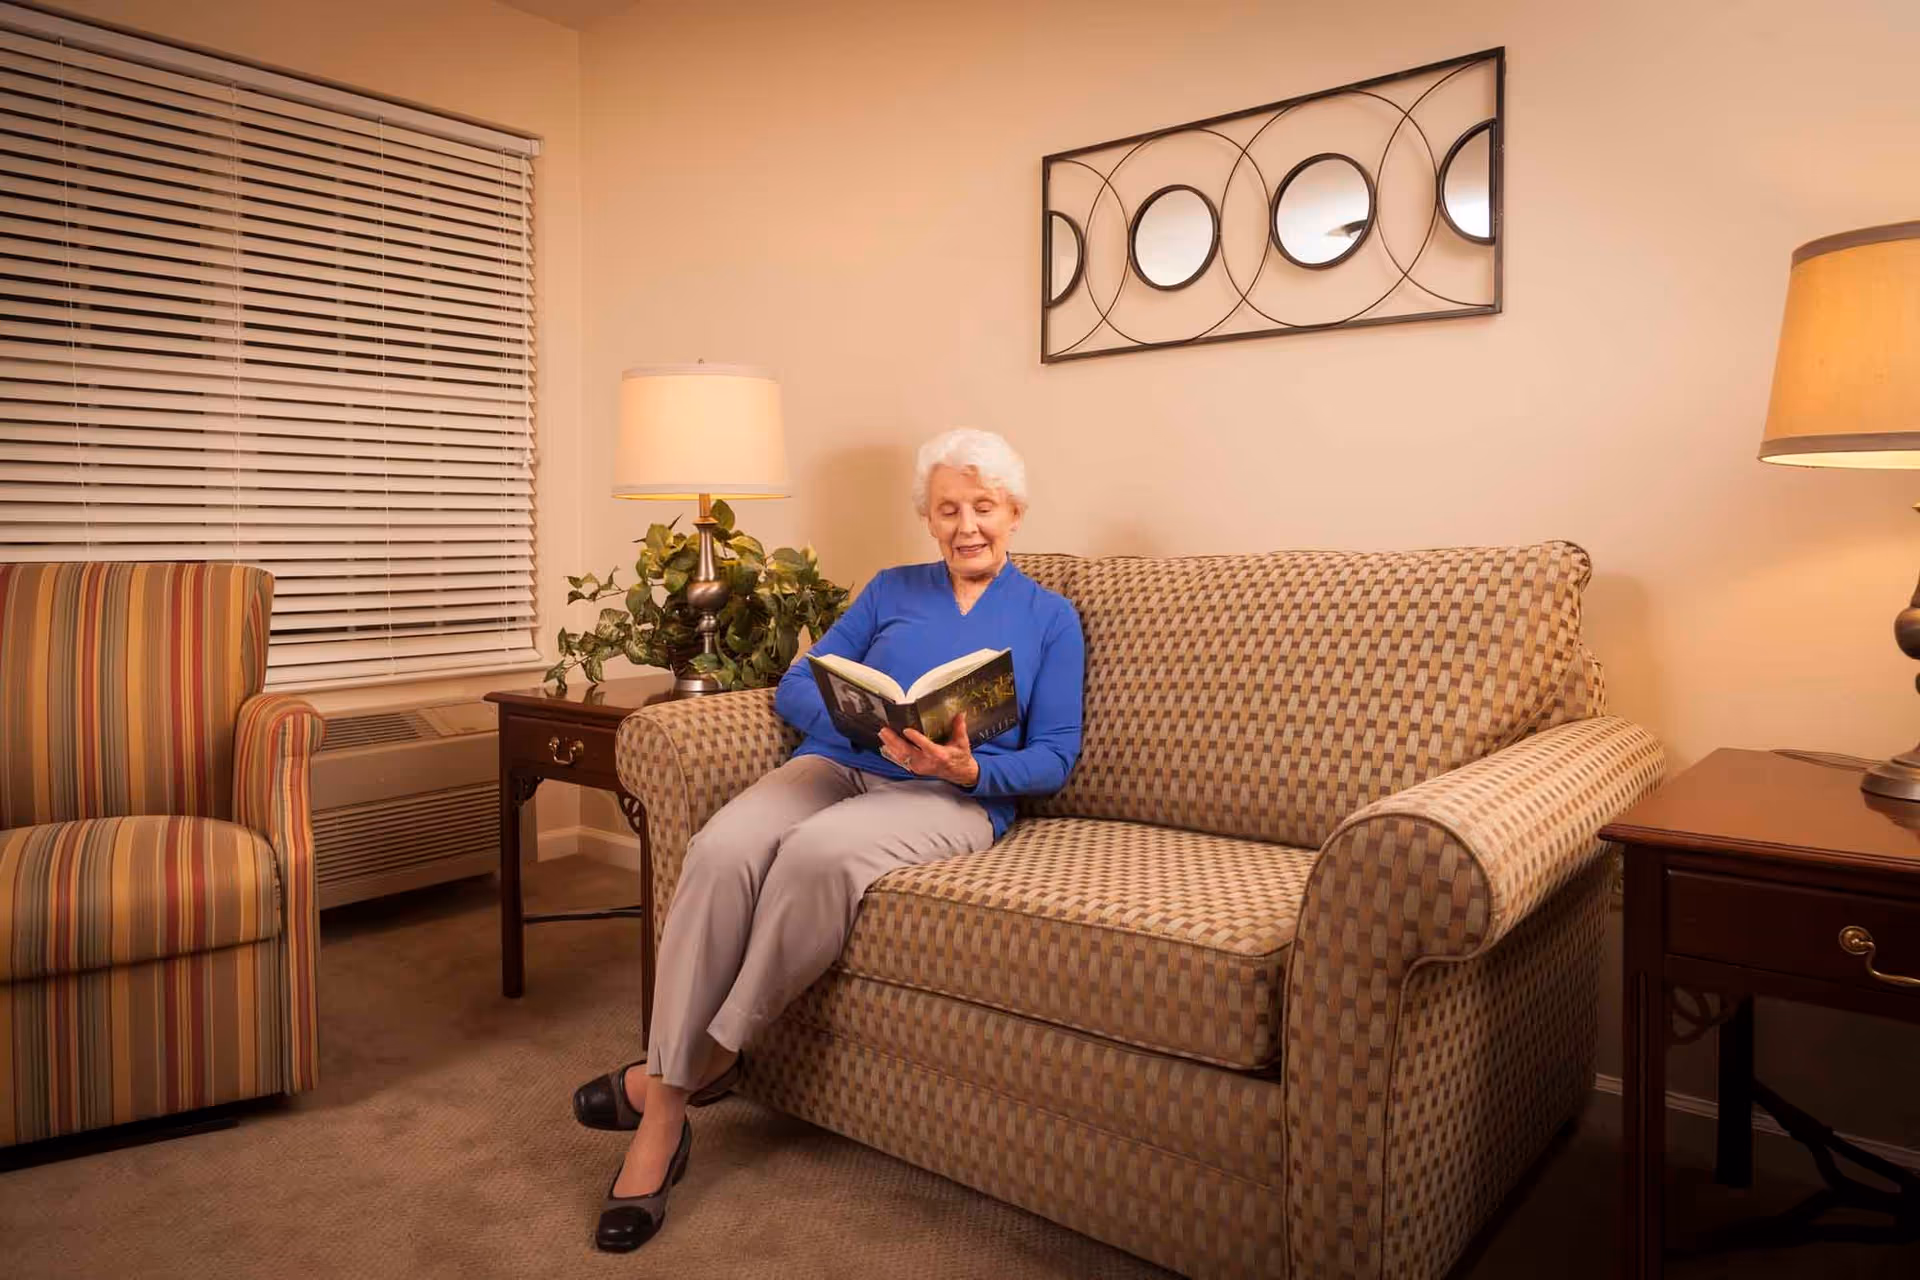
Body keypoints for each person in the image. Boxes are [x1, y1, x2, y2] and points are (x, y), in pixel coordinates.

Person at [572, 427, 1087, 1252]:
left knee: (817, 855)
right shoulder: (890, 589)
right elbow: (795, 688)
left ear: (1015, 514)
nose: (966, 525)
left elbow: (1055, 755)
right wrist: (866, 724)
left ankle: (678, 1087)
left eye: (983, 508)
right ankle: (677, 1089)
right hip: (838, 763)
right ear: (928, 516)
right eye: (948, 508)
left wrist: (963, 770)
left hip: (947, 796)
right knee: (721, 847)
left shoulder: (1050, 619)